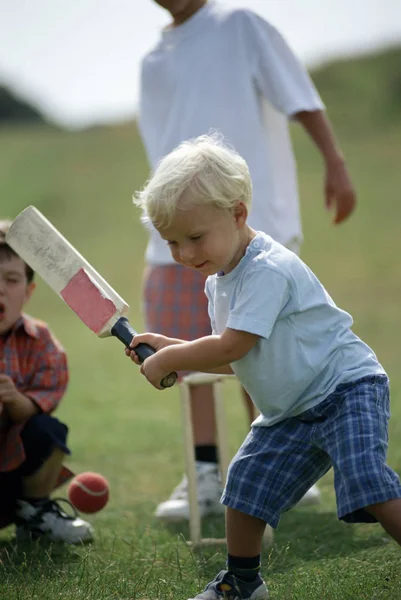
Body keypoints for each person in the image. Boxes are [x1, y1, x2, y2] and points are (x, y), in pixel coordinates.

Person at [129, 135, 401, 600]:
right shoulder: (220, 282)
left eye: (195, 238)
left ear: (238, 214)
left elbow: (232, 345)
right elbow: (242, 357)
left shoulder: (267, 269)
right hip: (290, 410)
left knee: (365, 478)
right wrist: (171, 344)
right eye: (172, 242)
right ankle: (242, 583)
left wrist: (175, 356)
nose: (185, 255)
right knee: (245, 486)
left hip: (344, 390)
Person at [138, 0, 356, 521]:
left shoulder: (239, 25)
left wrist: (335, 162)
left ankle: (287, 468)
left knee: (258, 350)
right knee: (193, 352)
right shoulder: (151, 59)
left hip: (246, 229)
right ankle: (206, 472)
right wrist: (172, 232)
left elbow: (298, 96)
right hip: (178, 235)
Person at [0, 220, 93, 545]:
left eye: (11, 280)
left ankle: (34, 511)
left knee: (49, 430)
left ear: (28, 291)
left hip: (10, 477)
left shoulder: (41, 342)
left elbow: (39, 406)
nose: (0, 289)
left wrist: (13, 399)